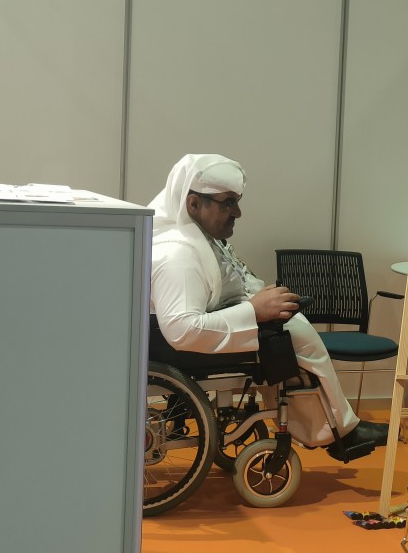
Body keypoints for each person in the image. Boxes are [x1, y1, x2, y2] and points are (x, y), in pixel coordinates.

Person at [148, 153, 387, 454]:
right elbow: (183, 329)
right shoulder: (179, 255)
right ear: (194, 203)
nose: (238, 212)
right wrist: (255, 310)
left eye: (237, 201)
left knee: (293, 330)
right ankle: (336, 431)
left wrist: (263, 301)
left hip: (191, 339)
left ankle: (338, 427)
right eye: (228, 203)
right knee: (289, 338)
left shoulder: (198, 238)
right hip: (181, 350)